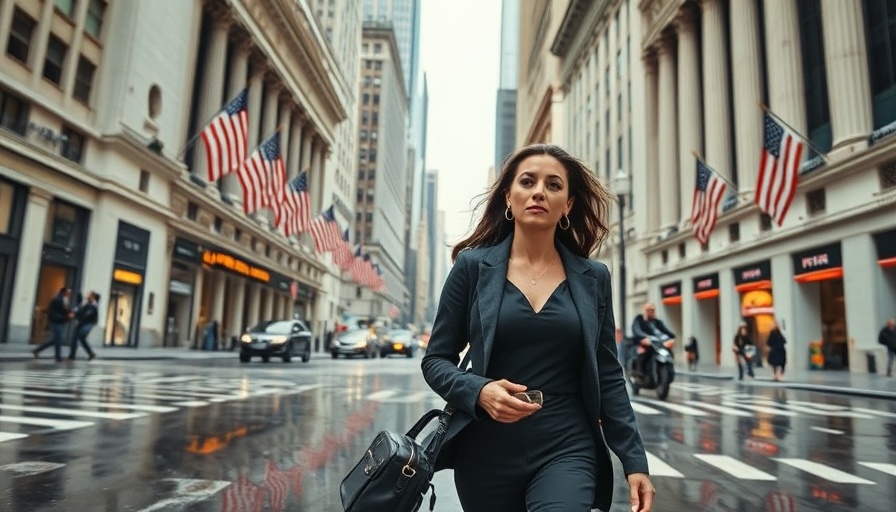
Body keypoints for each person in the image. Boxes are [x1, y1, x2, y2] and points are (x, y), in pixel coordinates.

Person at [421, 144, 654, 512]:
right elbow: (436, 360)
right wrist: (480, 391)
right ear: (508, 198)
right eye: (527, 181)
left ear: (568, 205)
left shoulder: (593, 277)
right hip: (485, 449)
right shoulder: (471, 267)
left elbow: (608, 373)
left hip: (566, 443)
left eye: (554, 185)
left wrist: (634, 461)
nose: (539, 192)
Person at [630, 303, 677, 378]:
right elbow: (636, 329)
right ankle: (639, 373)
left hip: (657, 343)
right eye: (649, 310)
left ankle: (670, 371)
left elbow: (665, 331)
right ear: (644, 311)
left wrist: (672, 338)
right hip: (643, 342)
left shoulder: (657, 321)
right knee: (641, 353)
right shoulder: (639, 319)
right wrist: (644, 337)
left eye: (652, 310)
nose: (651, 312)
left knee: (668, 351)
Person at [33, 287, 74, 362]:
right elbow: (59, 311)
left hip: (59, 321)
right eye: (68, 293)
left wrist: (68, 314)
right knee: (59, 339)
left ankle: (37, 350)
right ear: (63, 292)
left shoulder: (63, 299)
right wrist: (68, 315)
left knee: (56, 339)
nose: (69, 294)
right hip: (57, 321)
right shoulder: (58, 299)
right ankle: (58, 356)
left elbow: (63, 311)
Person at [68, 291, 99, 361]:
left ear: (93, 297)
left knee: (78, 336)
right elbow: (79, 309)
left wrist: (77, 315)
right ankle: (91, 353)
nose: (87, 296)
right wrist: (74, 313)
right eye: (87, 295)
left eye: (89, 295)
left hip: (87, 324)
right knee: (79, 339)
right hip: (82, 323)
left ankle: (72, 356)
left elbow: (87, 314)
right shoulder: (85, 303)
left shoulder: (94, 305)